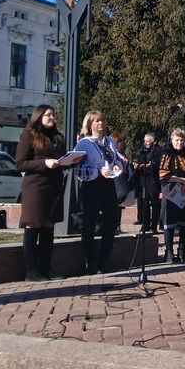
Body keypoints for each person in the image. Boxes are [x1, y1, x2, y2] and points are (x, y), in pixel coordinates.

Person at [14, 105, 79, 281]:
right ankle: (31, 271)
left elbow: (61, 159)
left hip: (54, 187)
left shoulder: (58, 137)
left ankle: (46, 268)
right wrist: (44, 163)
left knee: (48, 227)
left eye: (54, 115)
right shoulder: (29, 135)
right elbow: (20, 163)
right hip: (36, 187)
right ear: (39, 116)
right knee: (34, 225)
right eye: (48, 115)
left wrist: (73, 160)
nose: (52, 117)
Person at [73, 111, 126, 274]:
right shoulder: (84, 143)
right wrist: (97, 171)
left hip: (108, 183)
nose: (100, 123)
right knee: (89, 223)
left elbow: (115, 159)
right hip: (92, 185)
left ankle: (105, 260)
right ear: (90, 124)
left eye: (102, 120)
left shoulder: (109, 141)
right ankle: (91, 261)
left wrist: (117, 165)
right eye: (96, 121)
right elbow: (78, 168)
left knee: (111, 221)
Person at [158, 129, 185, 262]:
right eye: (177, 140)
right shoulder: (167, 154)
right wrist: (182, 181)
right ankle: (169, 252)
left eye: (182, 140)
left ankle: (182, 251)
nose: (180, 143)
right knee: (169, 221)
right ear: (172, 140)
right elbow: (163, 175)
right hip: (171, 190)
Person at [134, 133, 162, 233]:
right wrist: (138, 164)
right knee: (144, 202)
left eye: (148, 141)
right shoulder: (142, 150)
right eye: (145, 141)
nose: (146, 143)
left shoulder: (159, 150)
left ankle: (154, 226)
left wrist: (152, 165)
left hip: (154, 179)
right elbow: (139, 159)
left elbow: (159, 163)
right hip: (144, 179)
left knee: (155, 203)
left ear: (153, 141)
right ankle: (145, 225)